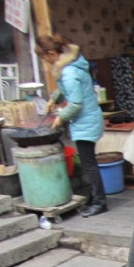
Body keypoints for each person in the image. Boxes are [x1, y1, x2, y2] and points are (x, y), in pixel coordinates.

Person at [35, 34, 107, 217]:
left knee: (89, 164)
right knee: (88, 162)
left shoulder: (69, 72)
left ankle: (100, 202)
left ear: (51, 53)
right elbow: (64, 89)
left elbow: (75, 104)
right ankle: (95, 196)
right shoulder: (71, 65)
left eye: (44, 57)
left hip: (86, 121)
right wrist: (53, 100)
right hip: (88, 118)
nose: (44, 61)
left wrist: (60, 118)